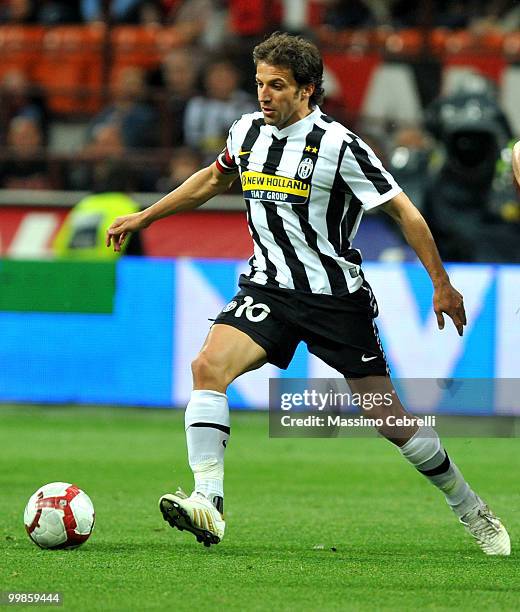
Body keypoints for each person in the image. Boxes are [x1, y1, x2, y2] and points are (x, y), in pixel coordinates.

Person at [106, 32, 510, 555]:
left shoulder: (340, 146)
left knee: (389, 421)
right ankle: (209, 501)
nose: (264, 95)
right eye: (259, 84)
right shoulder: (247, 131)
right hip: (268, 287)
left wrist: (441, 284)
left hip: (333, 300)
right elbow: (211, 180)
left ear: (307, 90)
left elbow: (405, 212)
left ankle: (470, 507)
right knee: (208, 368)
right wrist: (144, 215)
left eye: (277, 86)